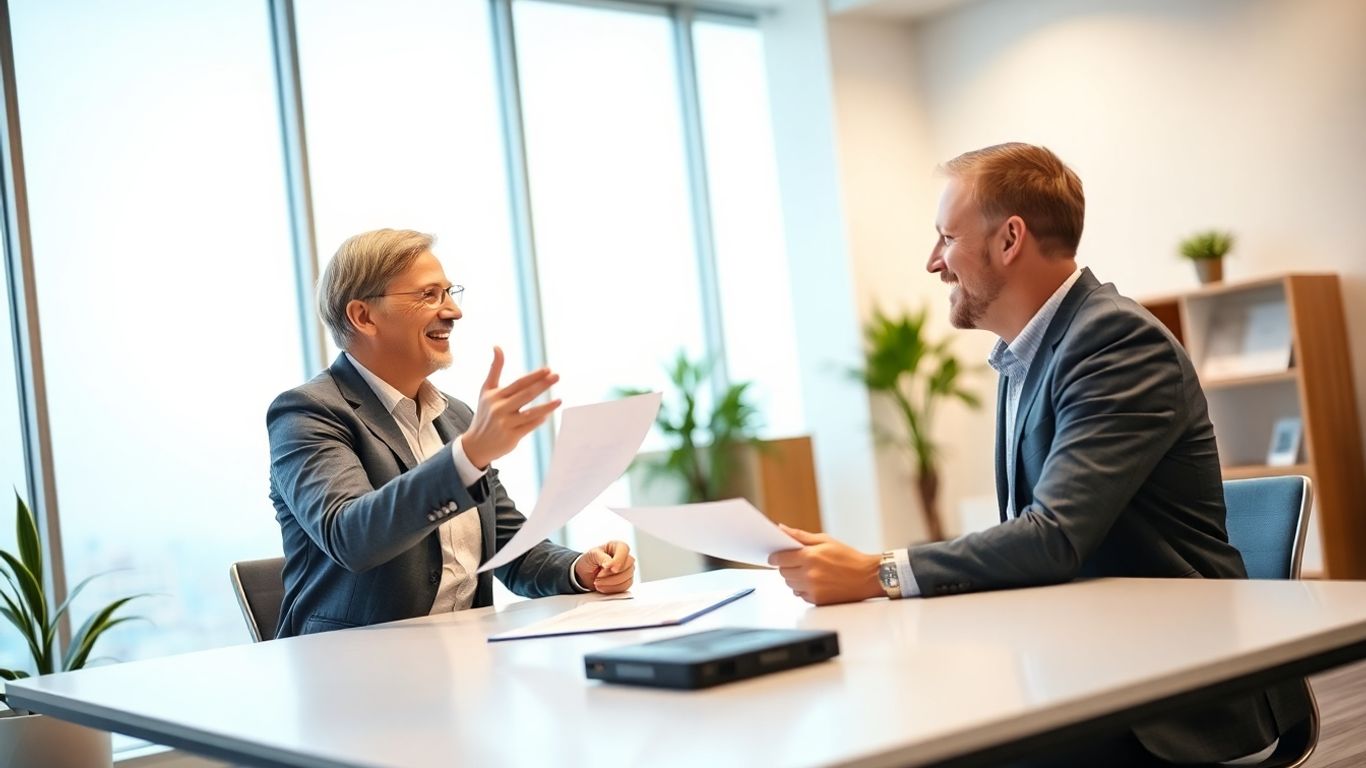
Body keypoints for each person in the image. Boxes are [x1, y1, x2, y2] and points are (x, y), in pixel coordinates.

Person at [769, 144, 1306, 765]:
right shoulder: (1027, 355)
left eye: (947, 237)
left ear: (1010, 239)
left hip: (1177, 699)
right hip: (1087, 663)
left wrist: (877, 571)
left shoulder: (1115, 341)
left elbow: (1053, 536)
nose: (933, 262)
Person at [268, 228, 634, 639]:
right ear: (363, 317)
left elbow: (509, 547)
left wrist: (579, 569)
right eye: (429, 295)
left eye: (448, 293)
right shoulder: (307, 413)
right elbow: (350, 536)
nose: (453, 312)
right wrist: (466, 457)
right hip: (350, 663)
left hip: (464, 655)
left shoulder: (455, 416)